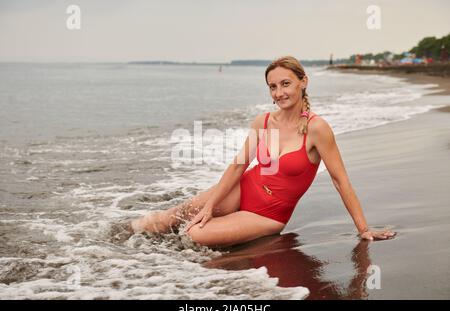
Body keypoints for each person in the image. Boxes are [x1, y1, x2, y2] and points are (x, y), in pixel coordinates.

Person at [129, 56, 396, 247]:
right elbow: (238, 166)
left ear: (303, 82)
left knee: (194, 234)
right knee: (170, 218)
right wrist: (211, 206)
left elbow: (341, 180)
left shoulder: (318, 129)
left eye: (285, 83)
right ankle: (118, 238)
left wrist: (363, 229)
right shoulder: (264, 122)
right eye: (273, 86)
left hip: (268, 215)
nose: (279, 92)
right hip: (243, 188)